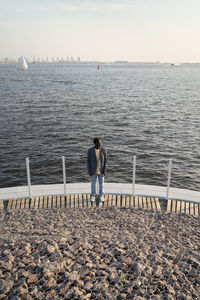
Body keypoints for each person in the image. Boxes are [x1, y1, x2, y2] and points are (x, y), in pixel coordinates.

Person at [87, 138, 107, 202]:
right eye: (99, 143)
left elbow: (105, 161)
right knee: (93, 184)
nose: (100, 144)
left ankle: (101, 195)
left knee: (101, 184)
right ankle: (93, 195)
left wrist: (104, 171)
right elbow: (88, 162)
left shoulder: (103, 150)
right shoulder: (90, 151)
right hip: (93, 170)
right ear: (95, 143)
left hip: (101, 170)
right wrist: (89, 171)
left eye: (100, 143)